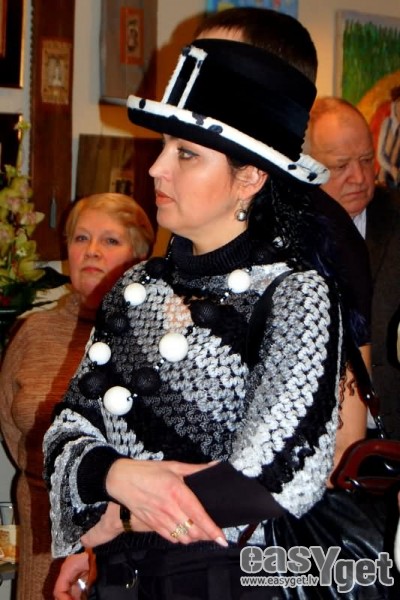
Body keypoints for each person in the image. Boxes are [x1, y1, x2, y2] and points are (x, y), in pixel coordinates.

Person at [45, 9, 373, 600]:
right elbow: (68, 431)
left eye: (186, 154)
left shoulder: (294, 292)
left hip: (232, 578)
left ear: (249, 178)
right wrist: (117, 477)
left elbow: (277, 478)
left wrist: (123, 514)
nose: (156, 168)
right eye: (164, 146)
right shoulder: (135, 285)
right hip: (125, 579)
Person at [0, 192, 154, 600]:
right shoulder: (32, 332)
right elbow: (15, 433)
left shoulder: (158, 337)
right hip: (42, 537)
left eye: (110, 240)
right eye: (81, 238)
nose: (92, 251)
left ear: (140, 256)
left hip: (130, 541)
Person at [306, 96, 400, 439]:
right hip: (312, 435)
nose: (359, 177)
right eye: (341, 165)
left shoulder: (396, 220)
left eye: (366, 160)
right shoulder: (283, 235)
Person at [377, 86, 400, 189]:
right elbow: (380, 154)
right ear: (394, 105)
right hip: (384, 177)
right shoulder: (387, 123)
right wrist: (392, 169)